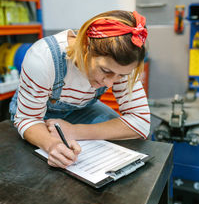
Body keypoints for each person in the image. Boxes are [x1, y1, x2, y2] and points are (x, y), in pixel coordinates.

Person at [9, 10, 150, 170]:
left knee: (123, 136)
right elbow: (28, 119)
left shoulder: (122, 64)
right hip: (35, 113)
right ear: (85, 47)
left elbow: (140, 123)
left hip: (80, 109)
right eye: (105, 71)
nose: (110, 83)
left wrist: (75, 131)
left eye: (121, 75)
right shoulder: (43, 58)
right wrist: (52, 145)